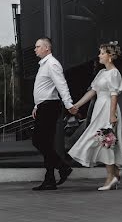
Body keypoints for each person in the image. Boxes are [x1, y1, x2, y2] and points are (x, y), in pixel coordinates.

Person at [67, 42, 122, 190]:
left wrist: (112, 116)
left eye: (102, 53)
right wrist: (76, 105)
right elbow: (92, 91)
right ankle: (115, 173)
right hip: (99, 109)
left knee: (105, 141)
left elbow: (114, 95)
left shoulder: (114, 73)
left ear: (110, 56)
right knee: (101, 140)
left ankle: (111, 177)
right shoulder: (102, 73)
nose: (99, 55)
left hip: (108, 109)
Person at [30, 37, 77, 191]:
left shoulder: (52, 64)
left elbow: (61, 85)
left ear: (46, 48)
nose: (35, 49)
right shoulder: (43, 65)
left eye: (38, 47)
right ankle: (50, 178)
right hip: (44, 106)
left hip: (50, 107)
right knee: (46, 143)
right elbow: (44, 88)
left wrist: (69, 104)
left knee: (38, 141)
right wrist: (37, 106)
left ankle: (62, 167)